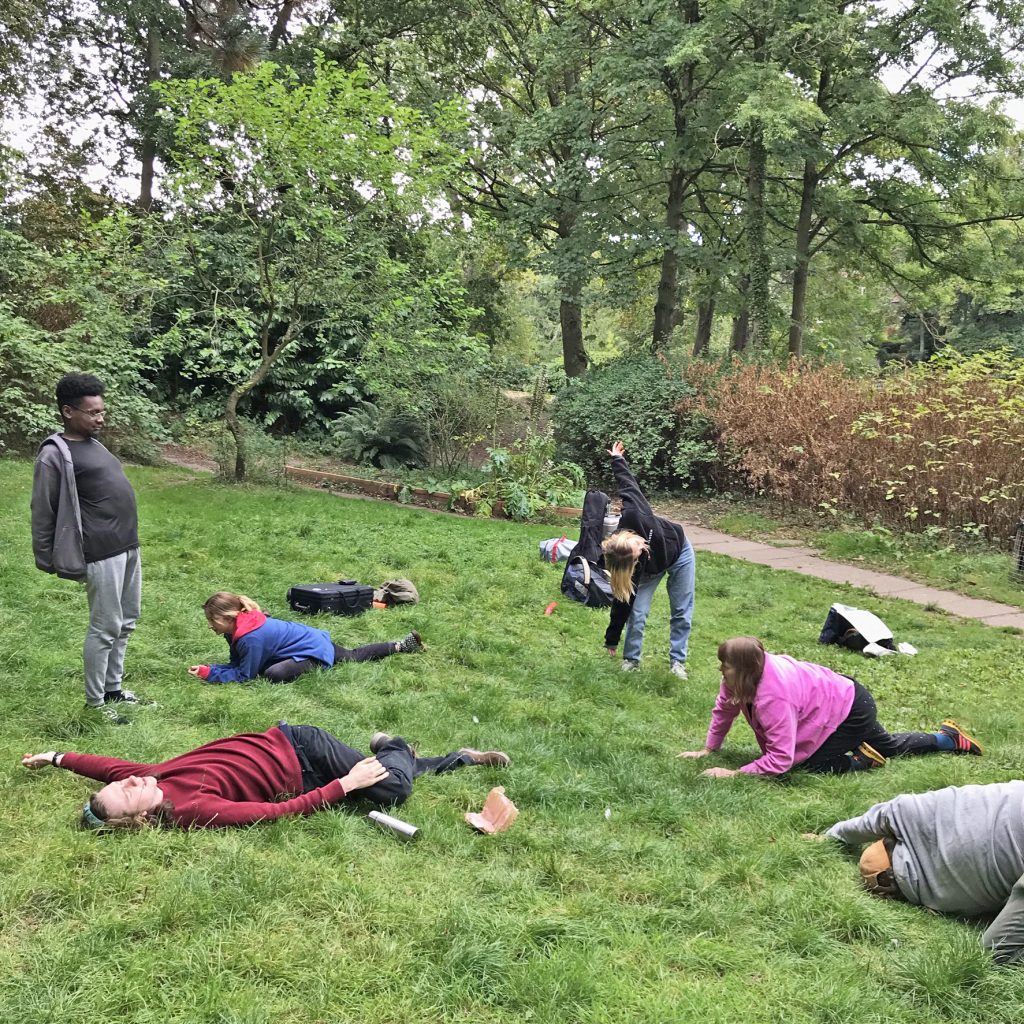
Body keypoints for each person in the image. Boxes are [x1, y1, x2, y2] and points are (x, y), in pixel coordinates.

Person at [21, 725, 511, 830]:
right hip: (305, 771)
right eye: (129, 794)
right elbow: (276, 811)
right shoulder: (193, 810)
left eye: (123, 783)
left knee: (391, 784)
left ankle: (391, 745)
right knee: (394, 786)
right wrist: (347, 785)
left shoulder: (148, 777)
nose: (130, 782)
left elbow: (102, 764)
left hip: (299, 743)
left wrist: (56, 754)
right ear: (144, 817)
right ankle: (452, 757)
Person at [677, 636, 982, 777]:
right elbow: (724, 709)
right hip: (846, 695)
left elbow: (781, 760)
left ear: (745, 669)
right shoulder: (738, 678)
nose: (721, 670)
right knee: (887, 745)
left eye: (726, 665)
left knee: (805, 762)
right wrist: (709, 749)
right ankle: (947, 739)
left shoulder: (773, 697)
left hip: (851, 708)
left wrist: (734, 773)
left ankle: (860, 762)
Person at [31, 373, 148, 724]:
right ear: (68, 411)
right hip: (99, 552)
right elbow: (43, 508)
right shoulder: (56, 454)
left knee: (127, 622)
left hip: (127, 546)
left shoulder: (94, 444)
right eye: (92, 412)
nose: (101, 418)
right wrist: (47, 556)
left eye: (102, 411)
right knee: (105, 627)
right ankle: (95, 704)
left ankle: (113, 689)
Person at [820, 782, 1024, 965]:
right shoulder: (927, 808)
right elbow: (887, 814)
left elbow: (994, 951)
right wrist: (833, 835)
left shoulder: (914, 816)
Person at [601, 441, 696, 678]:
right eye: (638, 554)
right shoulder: (628, 568)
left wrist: (617, 459)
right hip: (650, 572)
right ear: (630, 565)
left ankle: (677, 662)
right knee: (637, 612)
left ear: (628, 536)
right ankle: (631, 660)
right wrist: (611, 639)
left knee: (681, 610)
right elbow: (621, 601)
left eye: (637, 545)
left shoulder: (636, 514)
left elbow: (628, 486)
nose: (643, 547)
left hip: (679, 552)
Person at [188, 591, 425, 684]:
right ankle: (400, 646)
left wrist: (211, 674)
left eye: (213, 621)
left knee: (273, 674)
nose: (210, 626)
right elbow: (237, 663)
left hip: (310, 648)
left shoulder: (250, 637)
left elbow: (244, 675)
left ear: (228, 617)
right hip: (309, 638)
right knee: (352, 655)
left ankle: (401, 646)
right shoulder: (238, 629)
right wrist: (210, 668)